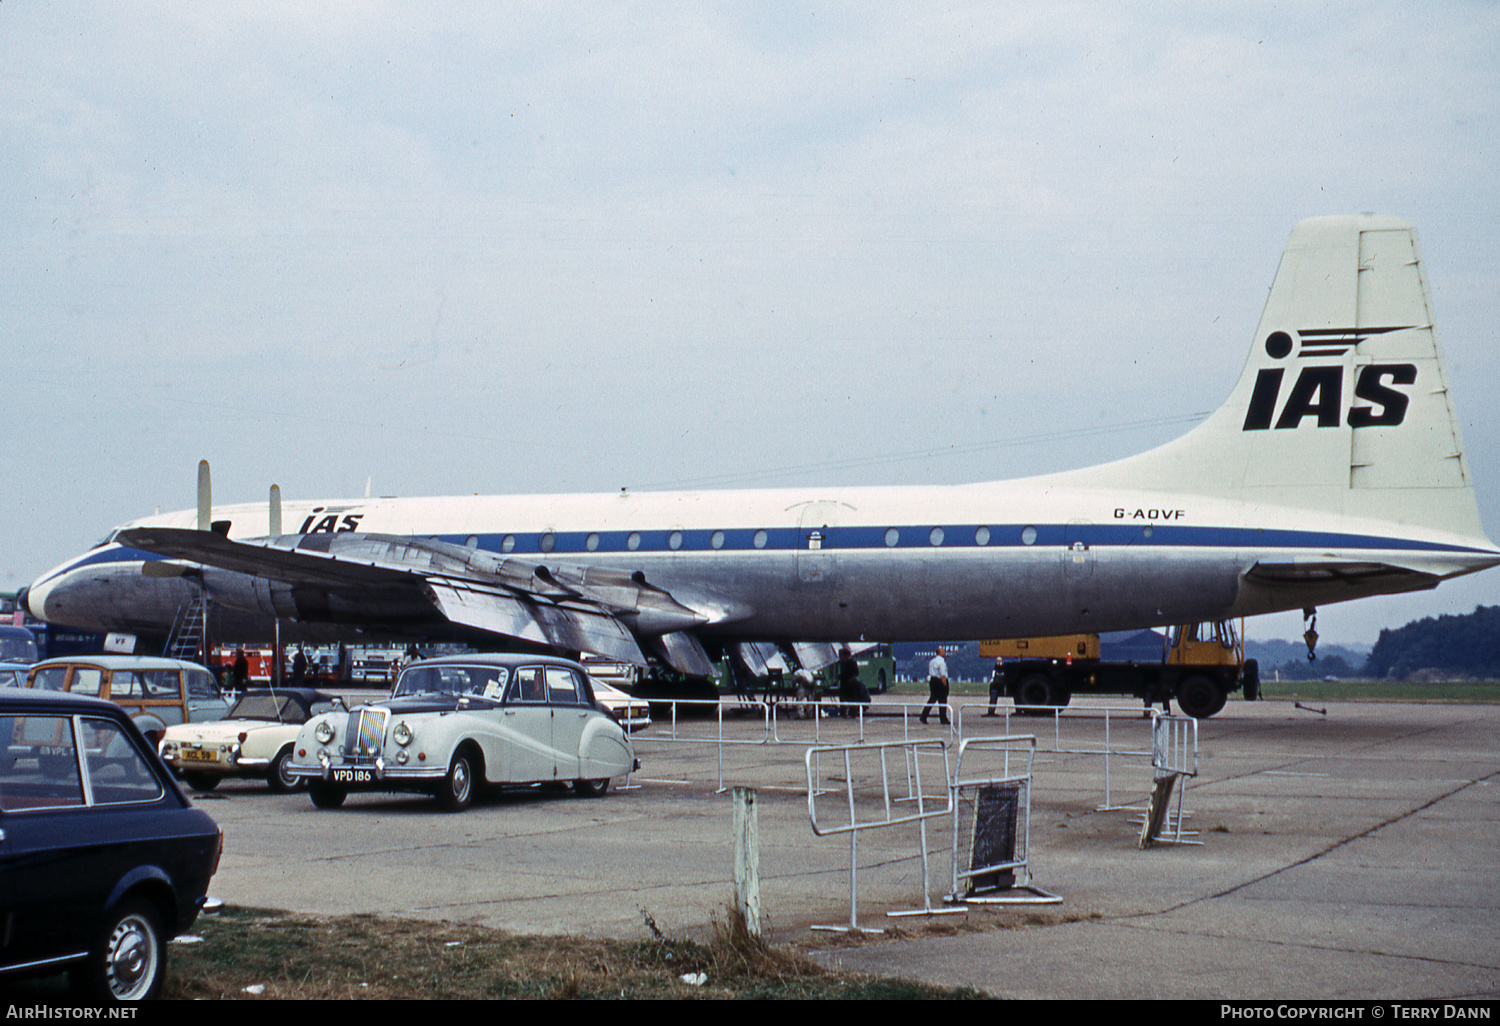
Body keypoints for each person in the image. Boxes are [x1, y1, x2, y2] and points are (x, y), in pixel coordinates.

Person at [920, 646, 950, 725]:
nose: (945, 653)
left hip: (933, 681)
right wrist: (945, 685)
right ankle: (943, 718)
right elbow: (943, 675)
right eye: (943, 651)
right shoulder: (941, 662)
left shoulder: (932, 661)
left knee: (932, 699)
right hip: (940, 681)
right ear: (940, 653)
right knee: (943, 700)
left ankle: (923, 716)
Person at [837, 647, 868, 718]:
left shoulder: (852, 663)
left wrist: (851, 679)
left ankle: (852, 713)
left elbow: (856, 673)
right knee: (842, 698)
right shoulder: (843, 663)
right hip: (844, 684)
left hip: (851, 685)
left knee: (852, 699)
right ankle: (843, 713)